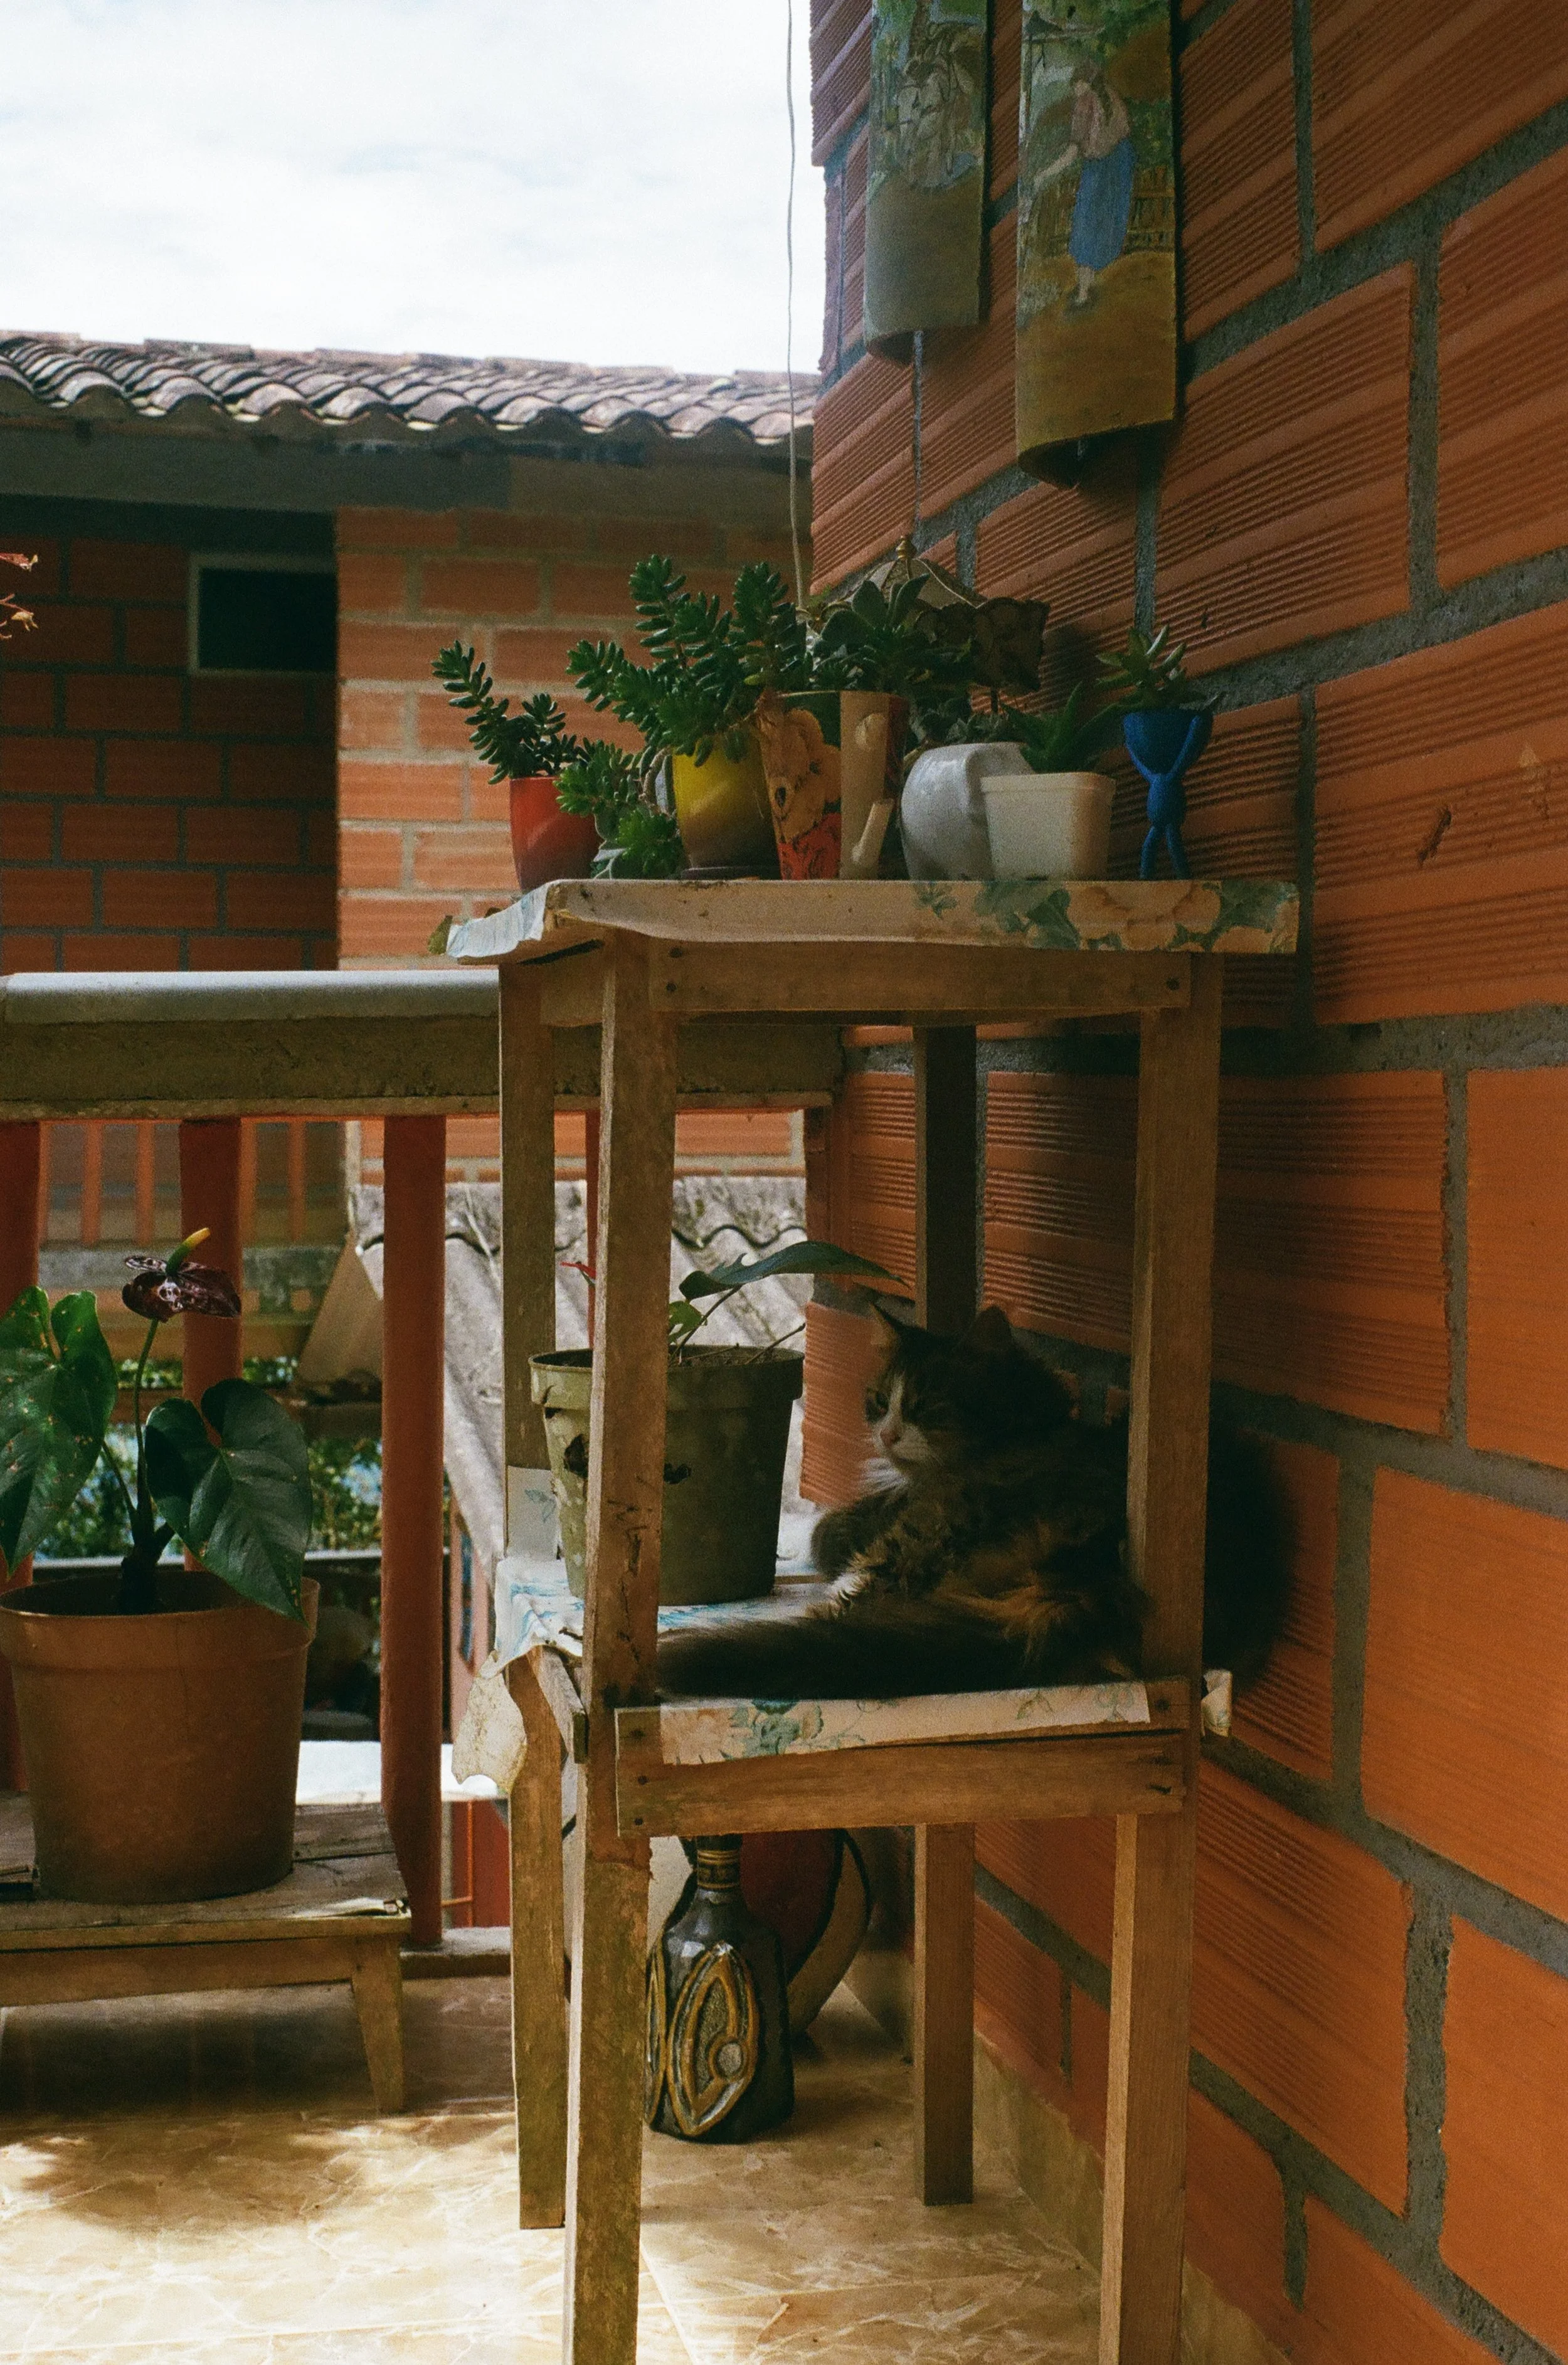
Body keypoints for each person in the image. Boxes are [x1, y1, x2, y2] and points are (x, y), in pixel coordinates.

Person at [1039, 63, 1135, 313]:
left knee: (1089, 222)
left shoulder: (1089, 102)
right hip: (1117, 162)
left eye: (1077, 84)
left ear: (1085, 82)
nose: (1075, 90)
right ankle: (1085, 287)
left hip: (1107, 166)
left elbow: (1074, 151)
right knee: (1095, 222)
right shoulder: (1108, 96)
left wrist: (1045, 174)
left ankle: (1083, 293)